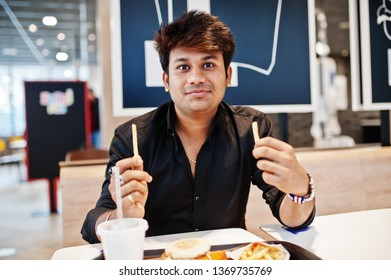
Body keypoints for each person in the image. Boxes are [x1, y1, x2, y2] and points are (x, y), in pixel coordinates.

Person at [81, 10, 315, 243]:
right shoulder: (132, 138)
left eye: (208, 65)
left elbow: (292, 219)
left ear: (228, 75)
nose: (196, 78)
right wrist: (121, 216)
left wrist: (300, 189)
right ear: (166, 80)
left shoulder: (251, 129)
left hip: (225, 262)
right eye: (183, 67)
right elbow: (93, 225)